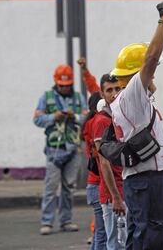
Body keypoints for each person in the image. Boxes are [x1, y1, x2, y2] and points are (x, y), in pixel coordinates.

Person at [108, 2, 163, 250]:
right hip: (146, 179)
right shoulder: (132, 94)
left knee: (145, 232)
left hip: (145, 178)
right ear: (138, 73)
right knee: (150, 235)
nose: (155, 73)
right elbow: (151, 57)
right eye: (153, 70)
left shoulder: (132, 99)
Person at [33, 64, 87, 235]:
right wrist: (52, 117)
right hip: (53, 150)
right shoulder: (46, 97)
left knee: (68, 187)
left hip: (73, 149)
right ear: (56, 83)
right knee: (51, 187)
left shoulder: (78, 98)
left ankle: (66, 221)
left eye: (67, 85)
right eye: (62, 85)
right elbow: (37, 119)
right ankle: (47, 222)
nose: (65, 88)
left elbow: (86, 117)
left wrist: (74, 116)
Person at [92, 74, 125, 250]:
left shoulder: (118, 116)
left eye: (117, 88)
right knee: (116, 244)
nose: (114, 93)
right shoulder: (102, 121)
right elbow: (104, 164)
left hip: (125, 187)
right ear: (102, 94)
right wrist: (116, 197)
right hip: (113, 193)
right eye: (109, 90)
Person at [83, 91, 107, 249]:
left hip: (93, 184)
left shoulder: (89, 124)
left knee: (99, 232)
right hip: (97, 184)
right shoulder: (98, 124)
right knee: (101, 233)